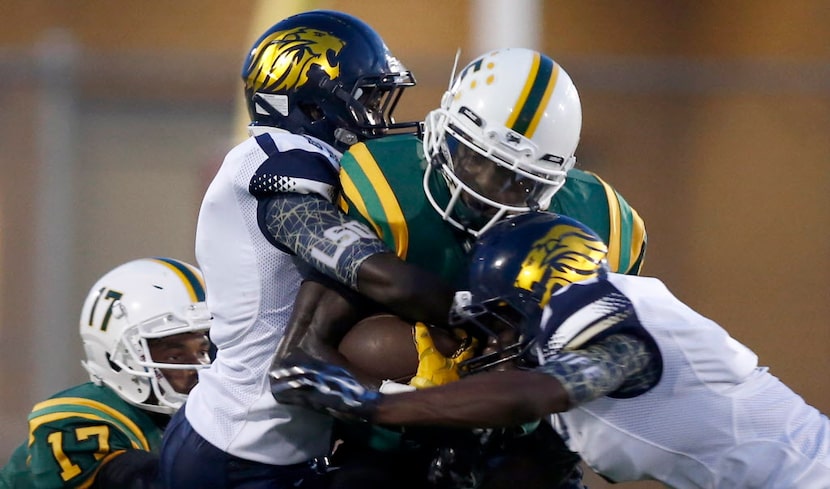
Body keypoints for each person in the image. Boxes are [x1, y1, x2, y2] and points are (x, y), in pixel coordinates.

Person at [277, 48, 646, 488]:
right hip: (392, 437)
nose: (485, 189)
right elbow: (300, 355)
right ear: (442, 128)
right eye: (473, 157)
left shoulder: (604, 225)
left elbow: (592, 377)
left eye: (517, 179)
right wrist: (413, 406)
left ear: (556, 179)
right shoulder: (389, 191)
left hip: (519, 439)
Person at [272, 211, 830, 488]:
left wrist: (378, 405)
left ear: (539, 288)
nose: (494, 339)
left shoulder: (603, 306)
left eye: (501, 319)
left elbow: (534, 394)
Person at [158, 10, 461, 489]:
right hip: (235, 453)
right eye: (369, 100)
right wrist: (472, 311)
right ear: (314, 109)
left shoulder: (299, 158)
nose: (379, 118)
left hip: (275, 445)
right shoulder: (277, 162)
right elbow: (366, 268)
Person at [0, 257, 211, 489]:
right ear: (114, 355)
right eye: (175, 356)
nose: (198, 368)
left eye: (202, 351)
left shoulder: (201, 417)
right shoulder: (75, 419)